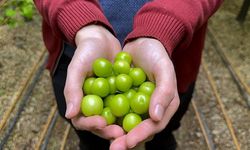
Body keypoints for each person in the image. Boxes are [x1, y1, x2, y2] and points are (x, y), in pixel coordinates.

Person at [34, 0, 223, 149]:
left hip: (172, 60)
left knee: (163, 129)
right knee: (90, 134)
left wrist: (164, 25)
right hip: (77, 51)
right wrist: (76, 14)